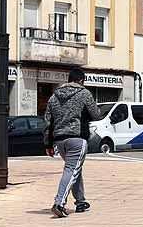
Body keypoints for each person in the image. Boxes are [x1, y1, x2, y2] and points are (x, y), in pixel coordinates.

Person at [43, 68, 103, 218]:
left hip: (60, 141)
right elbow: (96, 115)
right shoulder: (84, 93)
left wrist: (48, 144)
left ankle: (80, 201)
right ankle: (59, 203)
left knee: (75, 169)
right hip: (77, 138)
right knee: (71, 169)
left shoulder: (53, 96)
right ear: (81, 81)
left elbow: (47, 122)